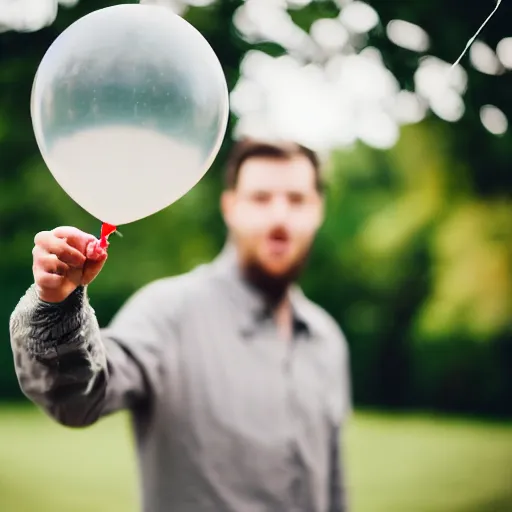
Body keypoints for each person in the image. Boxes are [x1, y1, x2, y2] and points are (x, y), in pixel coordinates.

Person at [9, 138, 352, 512]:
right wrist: (56, 305)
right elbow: (76, 398)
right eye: (261, 198)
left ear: (318, 209)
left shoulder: (327, 340)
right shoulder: (168, 313)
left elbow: (334, 490)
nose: (280, 217)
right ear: (230, 207)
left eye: (297, 199)